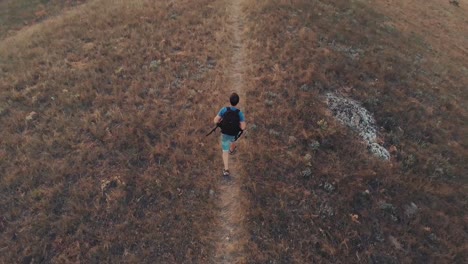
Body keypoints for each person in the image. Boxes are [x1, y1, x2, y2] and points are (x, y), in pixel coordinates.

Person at [213, 93, 246, 177]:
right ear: (238, 102)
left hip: (225, 133)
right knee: (234, 140)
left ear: (229, 101)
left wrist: (221, 122)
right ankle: (232, 150)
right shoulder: (240, 113)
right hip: (234, 133)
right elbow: (243, 127)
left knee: (224, 151)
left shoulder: (224, 110)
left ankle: (226, 169)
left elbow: (215, 120)